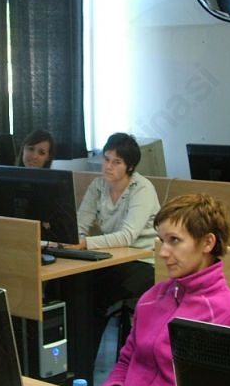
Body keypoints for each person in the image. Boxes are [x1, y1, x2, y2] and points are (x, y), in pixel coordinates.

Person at [100, 194, 230, 386]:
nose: (163, 252)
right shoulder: (152, 297)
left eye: (174, 240)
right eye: (162, 240)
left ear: (207, 243)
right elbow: (127, 359)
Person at [66, 132, 161, 359]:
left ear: (130, 167)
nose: (108, 166)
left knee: (95, 295)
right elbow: (80, 223)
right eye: (106, 159)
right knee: (73, 286)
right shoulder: (98, 185)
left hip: (145, 261)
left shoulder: (142, 188)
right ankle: (72, 359)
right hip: (113, 258)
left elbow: (127, 236)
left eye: (116, 162)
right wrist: (75, 238)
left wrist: (85, 242)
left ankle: (84, 362)